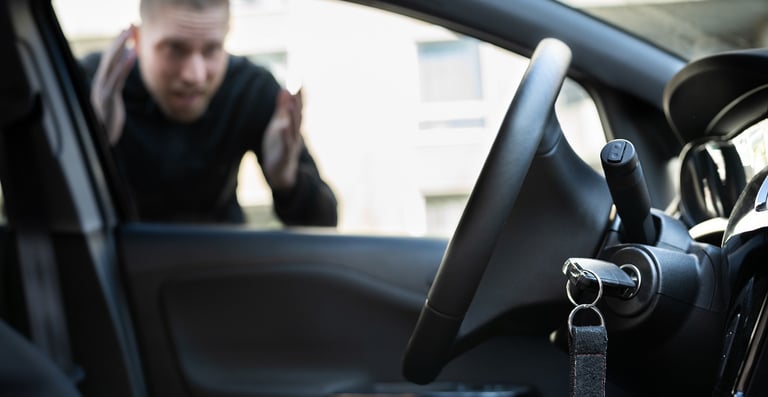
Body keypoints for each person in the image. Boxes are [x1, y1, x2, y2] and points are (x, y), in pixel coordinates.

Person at [81, 0, 338, 226]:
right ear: (137, 40)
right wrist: (93, 141)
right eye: (175, 48)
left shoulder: (250, 89)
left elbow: (325, 223)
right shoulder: (97, 86)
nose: (195, 75)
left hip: (219, 256)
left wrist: (288, 180)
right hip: (116, 258)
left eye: (211, 49)